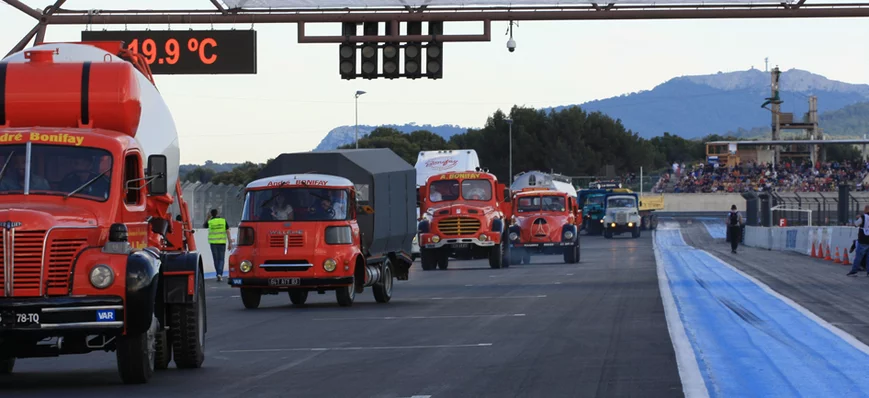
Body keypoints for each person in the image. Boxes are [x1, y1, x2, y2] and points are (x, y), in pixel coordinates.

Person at [205, 209, 232, 282]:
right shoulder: (223, 221)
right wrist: (230, 242)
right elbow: (228, 232)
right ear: (217, 213)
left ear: (211, 214)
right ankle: (220, 273)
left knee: (216, 259)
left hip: (213, 243)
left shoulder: (210, 222)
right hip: (222, 242)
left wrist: (208, 217)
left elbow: (205, 225)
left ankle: (218, 273)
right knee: (221, 259)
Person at [847, 205, 869, 277]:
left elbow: (856, 224)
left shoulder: (864, 217)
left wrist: (858, 218)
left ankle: (854, 271)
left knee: (858, 256)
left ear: (866, 209)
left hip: (863, 239)